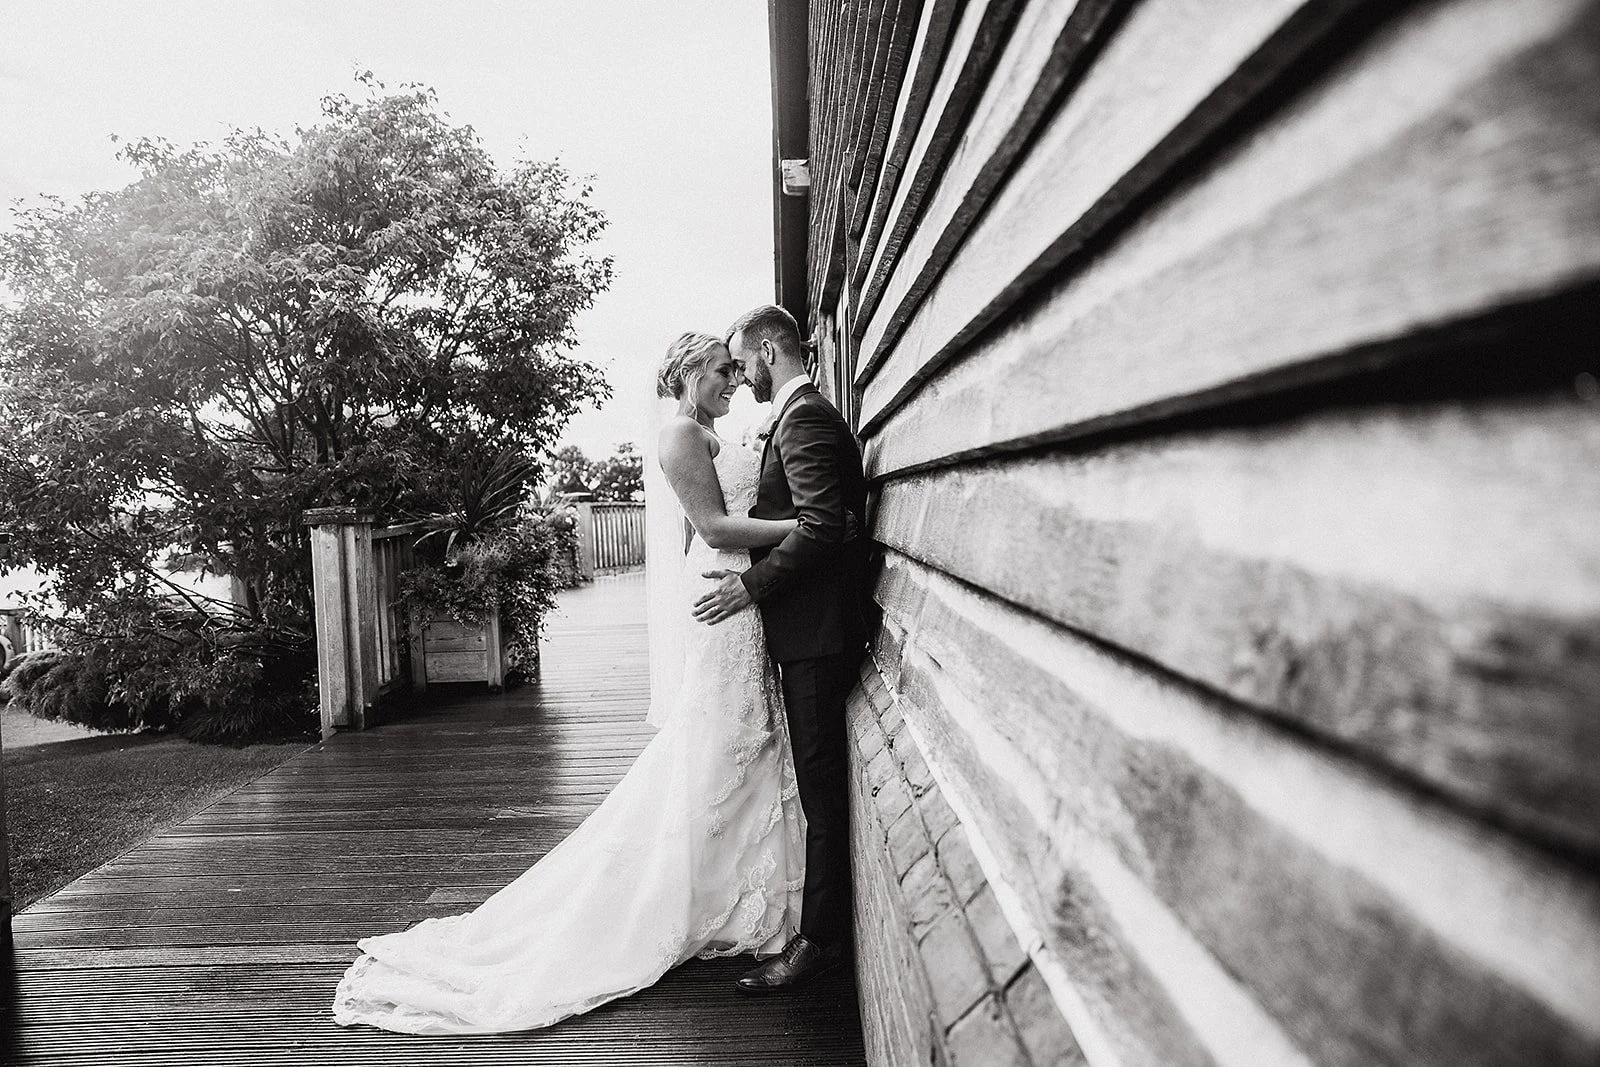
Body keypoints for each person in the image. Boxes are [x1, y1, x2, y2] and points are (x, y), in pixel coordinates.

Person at [330, 331, 808, 1034]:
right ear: (685, 373)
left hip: (735, 593)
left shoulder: (711, 430)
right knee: (724, 741)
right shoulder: (681, 434)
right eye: (718, 369)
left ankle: (737, 892)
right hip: (725, 592)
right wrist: (805, 526)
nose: (731, 378)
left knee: (742, 739)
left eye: (735, 368)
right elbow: (709, 523)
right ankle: (684, 897)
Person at [695, 304, 870, 993]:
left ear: (772, 349)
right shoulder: (805, 416)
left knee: (821, 792)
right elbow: (828, 520)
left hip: (818, 634)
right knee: (816, 783)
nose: (743, 374)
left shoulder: (803, 420)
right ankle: (817, 931)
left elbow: (824, 524)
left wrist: (750, 588)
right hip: (811, 629)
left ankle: (820, 942)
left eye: (745, 361)